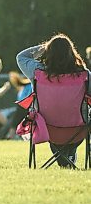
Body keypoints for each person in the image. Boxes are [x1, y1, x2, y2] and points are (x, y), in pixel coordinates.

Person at [17, 34, 90, 167]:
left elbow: (21, 57)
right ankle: (69, 154)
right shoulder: (84, 75)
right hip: (78, 130)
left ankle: (65, 157)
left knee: (57, 135)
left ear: (48, 52)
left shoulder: (37, 72)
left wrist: (45, 47)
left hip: (47, 128)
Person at [6, 71, 33, 139]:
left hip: (21, 105)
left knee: (15, 124)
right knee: (16, 124)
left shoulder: (27, 84)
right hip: (25, 105)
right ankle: (10, 137)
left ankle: (10, 137)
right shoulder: (31, 84)